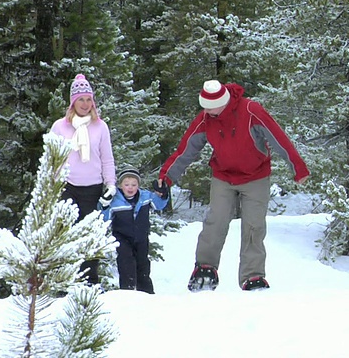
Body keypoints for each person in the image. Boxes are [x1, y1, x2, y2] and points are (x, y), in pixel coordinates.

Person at [158, 79, 310, 292]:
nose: (208, 112)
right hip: (224, 176)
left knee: (253, 227)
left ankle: (253, 276)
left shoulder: (251, 110)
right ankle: (205, 268)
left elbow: (278, 138)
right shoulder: (205, 119)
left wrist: (298, 168)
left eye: (212, 108)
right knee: (215, 221)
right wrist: (166, 177)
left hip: (255, 176)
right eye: (205, 108)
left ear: (224, 102)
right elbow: (186, 149)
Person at [50, 73, 117, 285]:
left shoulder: (101, 126)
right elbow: (52, 159)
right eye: (81, 99)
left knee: (91, 237)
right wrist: (52, 185)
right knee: (66, 235)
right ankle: (65, 281)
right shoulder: (60, 127)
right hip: (66, 187)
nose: (85, 104)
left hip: (93, 188)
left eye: (89, 99)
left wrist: (111, 184)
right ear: (73, 102)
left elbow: (107, 158)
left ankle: (90, 282)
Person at [99, 166, 169, 294]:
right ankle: (127, 292)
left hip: (141, 237)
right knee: (126, 265)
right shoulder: (115, 201)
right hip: (122, 238)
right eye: (126, 184)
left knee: (143, 265)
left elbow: (159, 204)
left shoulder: (146, 197)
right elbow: (103, 219)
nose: (130, 188)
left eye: (133, 184)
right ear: (120, 186)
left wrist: (163, 193)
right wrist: (103, 204)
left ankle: (147, 293)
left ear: (138, 185)